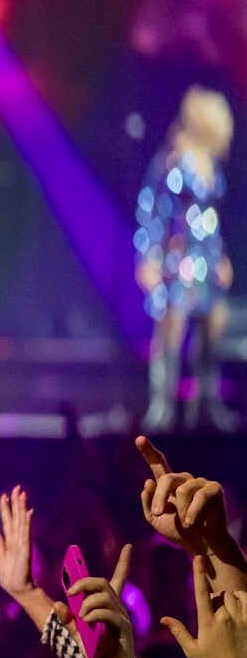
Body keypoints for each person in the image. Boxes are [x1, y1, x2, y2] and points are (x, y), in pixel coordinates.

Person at [137, 85, 235, 430]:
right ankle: (162, 406)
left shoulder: (212, 163)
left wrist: (222, 257)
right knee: (170, 335)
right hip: (178, 258)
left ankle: (206, 405)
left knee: (212, 332)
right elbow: (152, 206)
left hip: (207, 257)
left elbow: (211, 216)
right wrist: (149, 255)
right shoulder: (173, 158)